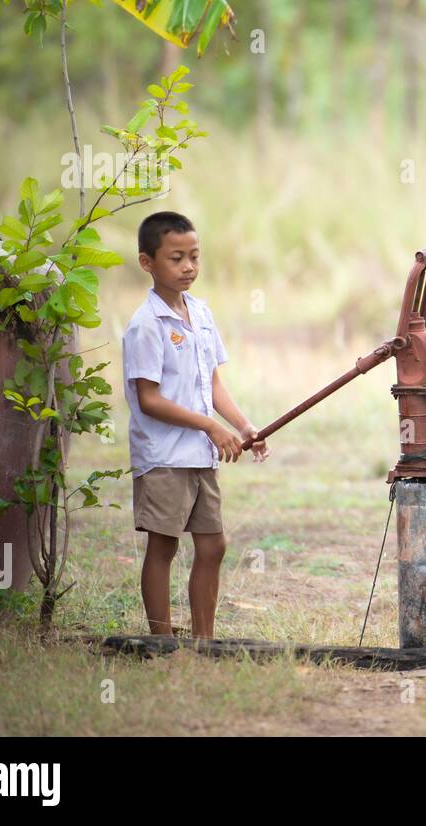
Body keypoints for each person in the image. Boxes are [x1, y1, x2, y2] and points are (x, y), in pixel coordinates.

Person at [121, 211, 268, 638]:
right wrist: (209, 426)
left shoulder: (200, 313)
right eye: (176, 258)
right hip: (165, 454)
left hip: (201, 453)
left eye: (194, 257)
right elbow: (148, 400)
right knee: (163, 545)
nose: (188, 267)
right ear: (147, 262)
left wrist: (242, 426)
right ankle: (162, 639)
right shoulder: (145, 326)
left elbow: (212, 381)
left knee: (213, 544)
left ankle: (205, 641)